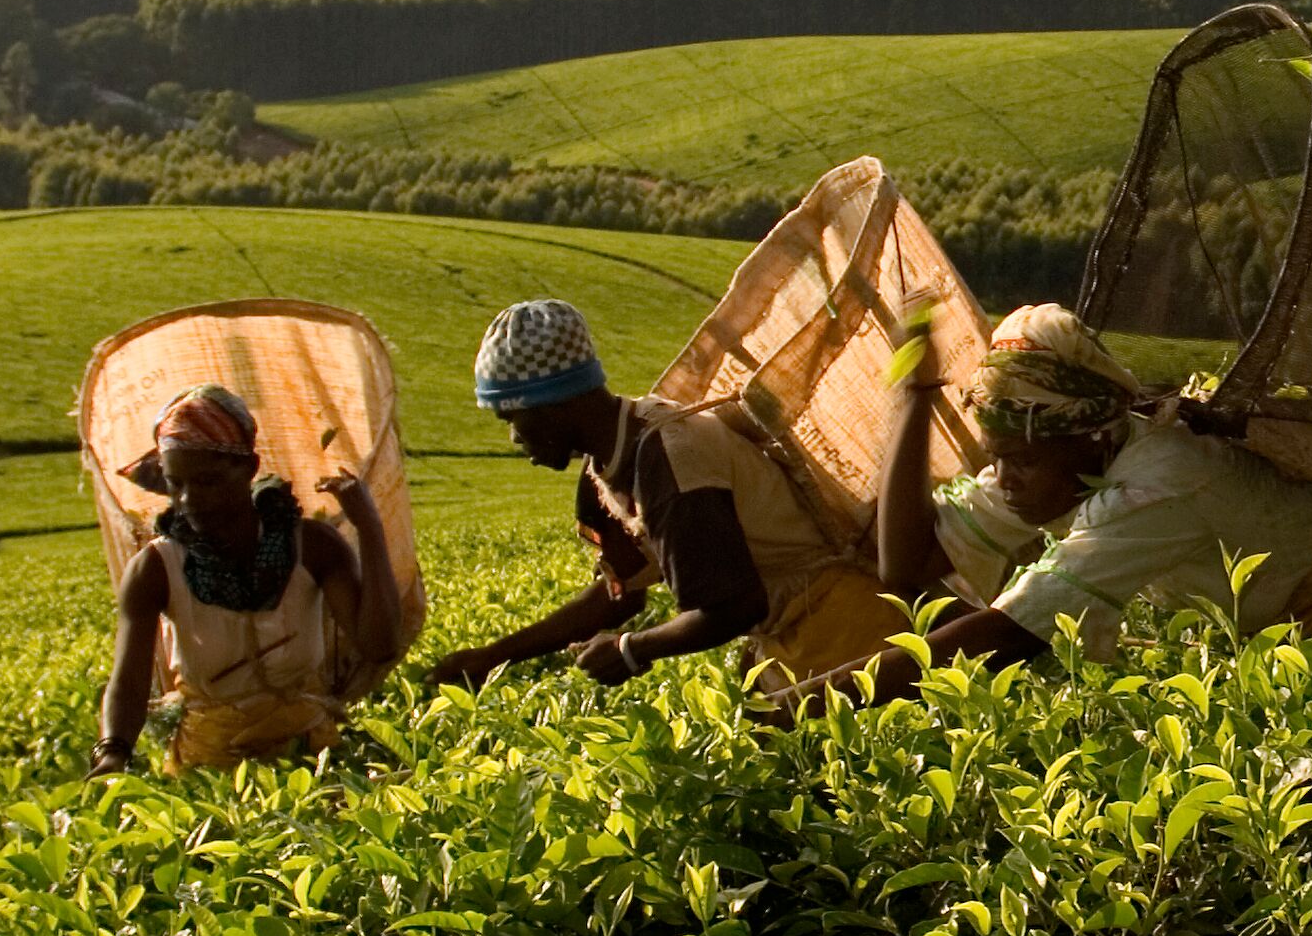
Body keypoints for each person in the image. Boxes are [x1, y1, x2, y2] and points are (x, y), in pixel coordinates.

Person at [853, 301, 1312, 698]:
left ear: (1087, 437)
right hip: (1311, 641)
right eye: (998, 456)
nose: (1005, 478)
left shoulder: (1163, 479)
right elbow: (905, 564)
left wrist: (791, 712)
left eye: (1022, 461)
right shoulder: (1070, 456)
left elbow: (1010, 633)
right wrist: (917, 394)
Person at [426, 297, 896, 692]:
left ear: (558, 405)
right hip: (793, 641)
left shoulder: (671, 458)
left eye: (514, 419)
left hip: (847, 632)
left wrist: (631, 651)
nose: (514, 438)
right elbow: (619, 596)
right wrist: (492, 657)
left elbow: (732, 606)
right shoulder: (608, 465)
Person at [92, 386, 398, 772]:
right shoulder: (155, 568)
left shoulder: (312, 546)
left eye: (208, 481)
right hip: (212, 763)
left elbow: (378, 646)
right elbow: (129, 681)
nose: (188, 499)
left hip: (313, 756)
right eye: (176, 484)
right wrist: (112, 751)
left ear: (249, 469)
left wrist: (369, 528)